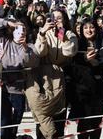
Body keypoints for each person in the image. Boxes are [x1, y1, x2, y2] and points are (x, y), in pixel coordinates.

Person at [27, 8, 78, 139]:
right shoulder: (43, 32)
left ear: (65, 20)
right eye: (53, 18)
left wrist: (62, 35)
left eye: (59, 18)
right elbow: (40, 51)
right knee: (43, 116)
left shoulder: (70, 34)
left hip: (61, 78)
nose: (56, 21)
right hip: (44, 79)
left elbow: (69, 52)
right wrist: (43, 34)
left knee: (59, 118)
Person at [65, 17, 103, 138]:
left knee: (96, 122)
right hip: (82, 90)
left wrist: (98, 61)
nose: (89, 30)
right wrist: (84, 59)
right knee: (84, 121)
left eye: (92, 27)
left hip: (100, 89)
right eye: (85, 28)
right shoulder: (78, 43)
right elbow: (71, 63)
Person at [0, 17, 39, 139]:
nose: (20, 31)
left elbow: (33, 63)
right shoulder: (3, 41)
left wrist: (25, 48)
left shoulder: (30, 46)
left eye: (23, 29)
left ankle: (12, 136)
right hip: (2, 88)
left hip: (18, 89)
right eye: (17, 28)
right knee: (3, 120)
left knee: (18, 116)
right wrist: (7, 23)